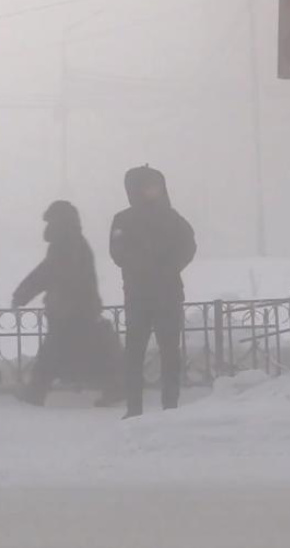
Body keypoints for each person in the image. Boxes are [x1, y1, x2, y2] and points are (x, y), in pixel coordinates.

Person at [12, 200, 123, 407]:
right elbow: (49, 272)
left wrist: (22, 294)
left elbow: (48, 273)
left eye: (51, 221)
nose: (47, 227)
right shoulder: (72, 242)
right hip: (77, 308)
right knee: (85, 351)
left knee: (53, 352)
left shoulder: (66, 244)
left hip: (69, 309)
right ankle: (114, 387)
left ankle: (36, 391)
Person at [109, 165, 196, 419]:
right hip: (138, 295)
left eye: (155, 186)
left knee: (170, 353)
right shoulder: (123, 219)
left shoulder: (172, 218)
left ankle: (170, 405)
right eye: (147, 186)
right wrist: (141, 264)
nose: (152, 191)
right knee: (134, 353)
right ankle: (134, 407)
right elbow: (117, 251)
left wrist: (168, 266)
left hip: (167, 293)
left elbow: (188, 246)